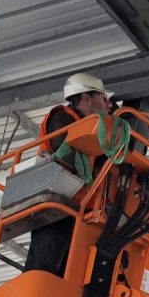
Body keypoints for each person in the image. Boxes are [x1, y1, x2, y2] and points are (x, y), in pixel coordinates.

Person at [24, 73, 114, 275]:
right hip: (56, 203)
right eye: (103, 98)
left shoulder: (92, 132)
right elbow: (69, 156)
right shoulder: (62, 117)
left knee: (69, 272)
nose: (108, 104)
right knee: (44, 267)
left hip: (79, 209)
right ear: (85, 98)